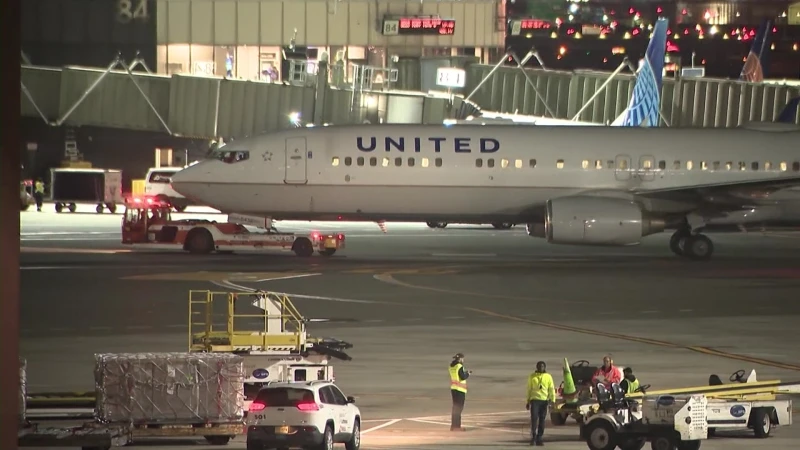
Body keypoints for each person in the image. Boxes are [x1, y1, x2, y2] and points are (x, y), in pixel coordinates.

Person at [526, 361, 556, 446]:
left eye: (542, 366)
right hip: (535, 400)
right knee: (534, 419)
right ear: (536, 367)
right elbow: (529, 389)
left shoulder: (548, 376)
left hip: (544, 401)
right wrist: (528, 401)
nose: (541, 368)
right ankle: (533, 437)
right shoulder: (532, 376)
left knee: (542, 420)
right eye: (539, 366)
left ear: (545, 367)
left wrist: (552, 400)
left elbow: (551, 388)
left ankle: (539, 437)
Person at [448, 353, 471, 431]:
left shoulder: (451, 366)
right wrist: (468, 373)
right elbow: (462, 377)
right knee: (458, 409)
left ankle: (453, 426)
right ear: (460, 359)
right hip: (460, 390)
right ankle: (457, 427)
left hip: (453, 389)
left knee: (455, 408)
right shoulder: (459, 366)